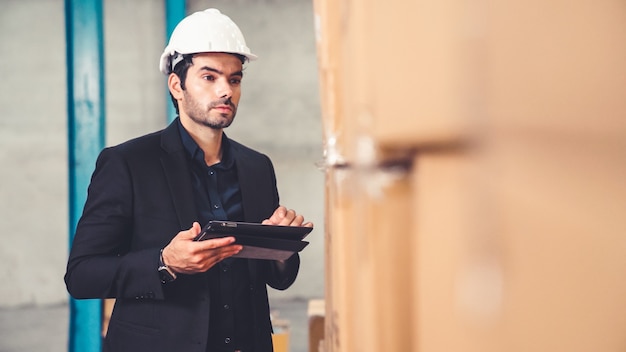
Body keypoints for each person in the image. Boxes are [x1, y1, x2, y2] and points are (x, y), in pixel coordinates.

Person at [64, 8, 313, 352]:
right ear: (177, 85)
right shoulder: (127, 163)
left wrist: (280, 247)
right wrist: (164, 263)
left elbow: (277, 278)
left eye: (235, 79)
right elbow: (82, 275)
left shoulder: (257, 167)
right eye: (210, 77)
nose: (226, 90)